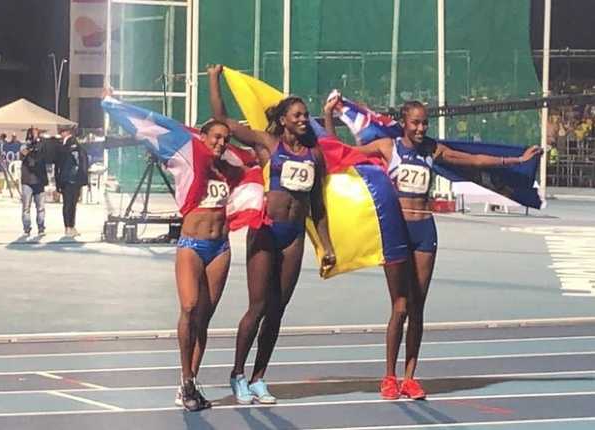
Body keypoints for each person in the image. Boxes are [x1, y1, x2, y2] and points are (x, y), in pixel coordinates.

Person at [325, 99, 540, 400]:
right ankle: (389, 377)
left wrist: (515, 161)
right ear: (404, 122)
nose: (421, 128)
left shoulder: (432, 150)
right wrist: (327, 116)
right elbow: (341, 155)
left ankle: (410, 378)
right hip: (398, 231)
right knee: (399, 307)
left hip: (425, 231)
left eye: (425, 123)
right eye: (415, 122)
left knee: (417, 308)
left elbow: (473, 160)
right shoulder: (388, 147)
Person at [208, 64, 336, 405]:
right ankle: (237, 373)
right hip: (265, 231)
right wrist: (214, 79)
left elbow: (318, 205)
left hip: (294, 236)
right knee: (259, 305)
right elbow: (222, 122)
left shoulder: (314, 155)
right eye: (297, 115)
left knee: (277, 310)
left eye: (306, 115)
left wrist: (326, 245)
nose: (303, 119)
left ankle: (259, 377)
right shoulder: (267, 144)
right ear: (282, 120)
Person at [174, 120, 240, 411]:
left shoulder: (228, 170)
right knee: (189, 307)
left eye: (225, 139)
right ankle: (185, 375)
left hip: (220, 248)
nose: (221, 143)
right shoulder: (188, 163)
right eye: (215, 137)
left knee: (204, 317)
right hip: (191, 245)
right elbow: (157, 137)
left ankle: (190, 382)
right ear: (202, 138)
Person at [54, 125, 88, 237]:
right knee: (68, 204)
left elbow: (79, 160)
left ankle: (71, 226)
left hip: (71, 178)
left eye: (63, 131)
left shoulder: (73, 144)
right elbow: (59, 162)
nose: (62, 134)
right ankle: (68, 226)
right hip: (67, 178)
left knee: (72, 204)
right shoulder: (64, 144)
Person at [19, 127, 47, 236]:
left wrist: (37, 143)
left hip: (39, 180)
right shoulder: (24, 146)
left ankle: (41, 227)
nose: (36, 134)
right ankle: (27, 228)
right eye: (33, 133)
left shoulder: (42, 146)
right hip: (27, 180)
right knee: (26, 206)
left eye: (37, 133)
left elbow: (42, 156)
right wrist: (30, 144)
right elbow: (23, 153)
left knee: (40, 207)